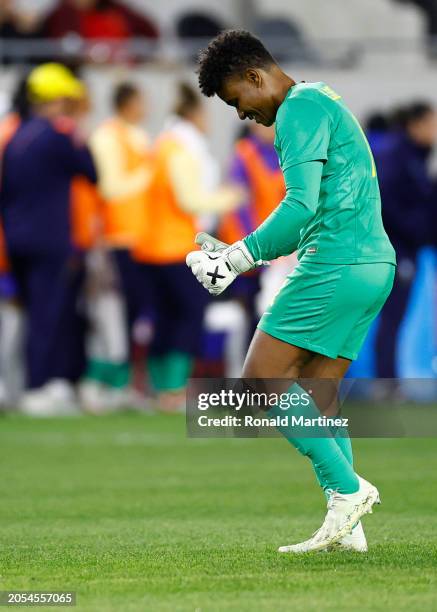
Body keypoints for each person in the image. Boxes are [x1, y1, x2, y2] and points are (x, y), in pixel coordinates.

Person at [186, 30, 396, 553]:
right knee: (320, 400)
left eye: (237, 99)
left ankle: (349, 491)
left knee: (260, 382)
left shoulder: (296, 111)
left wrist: (237, 257)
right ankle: (350, 529)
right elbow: (313, 210)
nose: (241, 114)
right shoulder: (321, 97)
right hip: (374, 263)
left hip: (336, 262)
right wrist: (237, 249)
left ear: (256, 76)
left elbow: (300, 207)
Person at [133, 82, 242, 412]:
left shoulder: (164, 145)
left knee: (165, 318)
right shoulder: (179, 150)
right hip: (176, 245)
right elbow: (189, 198)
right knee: (187, 316)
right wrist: (230, 197)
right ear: (193, 114)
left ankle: (162, 388)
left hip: (154, 246)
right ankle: (174, 390)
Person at [0, 63, 97, 415]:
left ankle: (26, 385)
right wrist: (76, 132)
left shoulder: (17, 137)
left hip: (16, 239)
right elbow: (91, 171)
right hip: (49, 241)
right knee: (48, 314)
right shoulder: (58, 136)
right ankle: (37, 388)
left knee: (30, 316)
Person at [88, 82, 151, 409]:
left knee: (135, 315)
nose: (146, 109)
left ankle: (124, 383)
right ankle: (105, 384)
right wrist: (148, 174)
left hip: (140, 240)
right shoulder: (107, 138)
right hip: (115, 241)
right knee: (113, 317)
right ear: (126, 103)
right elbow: (110, 188)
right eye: (141, 101)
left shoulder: (137, 137)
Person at [374, 102, 437, 380]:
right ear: (416, 124)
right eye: (432, 124)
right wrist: (414, 230)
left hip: (407, 246)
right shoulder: (396, 155)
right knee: (389, 317)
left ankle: (387, 378)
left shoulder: (416, 156)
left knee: (395, 318)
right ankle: (384, 380)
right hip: (394, 248)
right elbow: (385, 200)